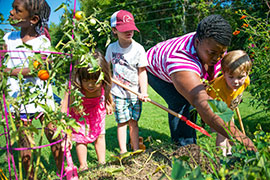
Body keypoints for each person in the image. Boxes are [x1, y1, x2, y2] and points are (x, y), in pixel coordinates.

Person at [146, 14, 255, 150]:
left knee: (199, 103)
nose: (217, 58)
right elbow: (203, 102)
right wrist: (243, 140)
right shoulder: (180, 60)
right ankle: (186, 148)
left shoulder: (213, 42)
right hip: (154, 70)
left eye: (221, 53)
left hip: (185, 62)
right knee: (182, 102)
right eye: (212, 53)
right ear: (197, 42)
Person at [2, 0, 64, 179]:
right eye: (12, 8)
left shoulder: (43, 43)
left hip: (43, 98)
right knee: (25, 140)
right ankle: (30, 176)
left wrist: (9, 72)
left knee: (53, 132)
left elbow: (40, 69)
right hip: (18, 99)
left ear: (34, 19)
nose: (11, 13)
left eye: (17, 10)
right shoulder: (8, 39)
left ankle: (61, 171)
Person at [61, 51, 114, 171]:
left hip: (97, 113)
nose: (90, 85)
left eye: (95, 81)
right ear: (79, 77)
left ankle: (102, 162)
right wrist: (64, 126)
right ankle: (83, 165)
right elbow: (64, 108)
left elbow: (107, 93)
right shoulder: (74, 87)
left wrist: (109, 103)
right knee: (81, 139)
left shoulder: (104, 83)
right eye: (85, 80)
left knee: (100, 135)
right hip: (80, 114)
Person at [105, 10, 149, 155]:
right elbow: (107, 70)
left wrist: (143, 92)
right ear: (114, 30)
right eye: (124, 29)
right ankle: (124, 152)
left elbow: (142, 72)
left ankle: (135, 149)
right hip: (118, 93)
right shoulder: (111, 48)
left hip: (135, 94)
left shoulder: (138, 49)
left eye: (131, 28)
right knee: (122, 122)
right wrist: (107, 93)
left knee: (133, 122)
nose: (129, 31)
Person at [206, 50, 252, 156]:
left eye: (240, 77)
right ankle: (221, 158)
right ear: (224, 72)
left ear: (247, 73)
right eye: (231, 77)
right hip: (213, 106)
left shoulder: (246, 81)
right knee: (223, 132)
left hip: (228, 106)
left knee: (230, 134)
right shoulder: (218, 89)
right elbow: (218, 113)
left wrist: (236, 101)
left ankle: (229, 153)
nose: (236, 82)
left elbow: (238, 93)